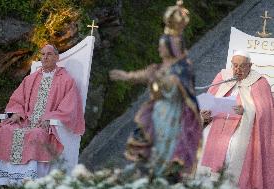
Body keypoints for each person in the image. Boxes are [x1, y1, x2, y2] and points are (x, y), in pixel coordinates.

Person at [110, 1, 201, 180]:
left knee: (166, 156)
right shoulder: (164, 66)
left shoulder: (183, 68)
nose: (159, 48)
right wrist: (126, 76)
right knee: (151, 154)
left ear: (171, 47)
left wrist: (156, 79)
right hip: (158, 113)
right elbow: (147, 75)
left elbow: (174, 86)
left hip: (173, 117)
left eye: (162, 45)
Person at [0, 44, 85, 185]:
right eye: (43, 54)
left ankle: (28, 180)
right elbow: (17, 99)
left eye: (49, 54)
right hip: (26, 120)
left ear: (57, 57)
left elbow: (69, 107)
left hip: (45, 125)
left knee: (36, 134)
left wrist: (50, 118)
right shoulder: (30, 79)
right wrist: (16, 113)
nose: (45, 57)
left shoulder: (66, 80)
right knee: (3, 130)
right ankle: (1, 179)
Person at [196, 50, 274, 189]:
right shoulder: (222, 77)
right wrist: (205, 115)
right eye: (235, 65)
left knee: (235, 145)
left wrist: (246, 111)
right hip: (218, 121)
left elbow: (266, 112)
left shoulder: (260, 83)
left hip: (244, 127)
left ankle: (229, 184)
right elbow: (209, 100)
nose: (238, 69)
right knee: (205, 136)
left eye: (242, 66)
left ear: (250, 66)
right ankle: (205, 182)